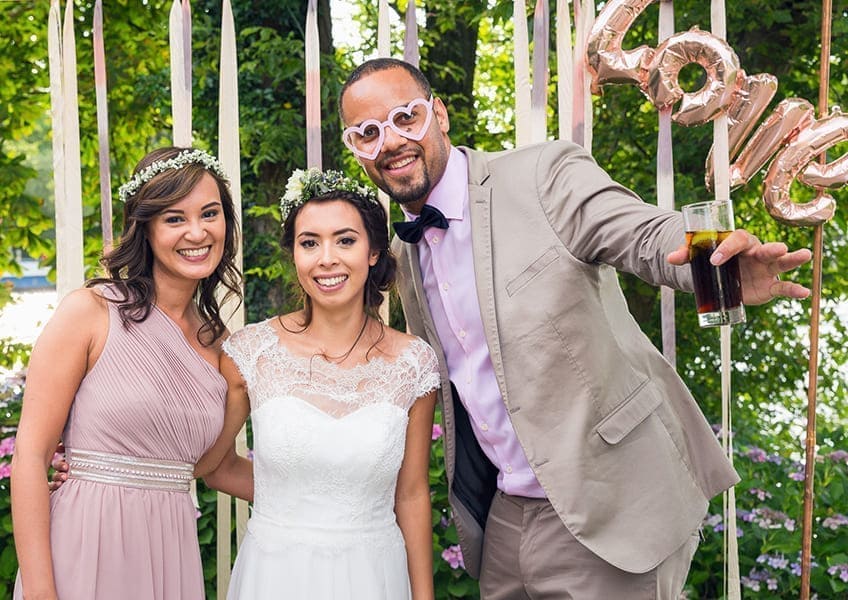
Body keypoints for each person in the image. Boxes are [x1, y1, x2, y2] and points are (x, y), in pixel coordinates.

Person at [337, 57, 813, 599]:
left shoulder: (543, 174)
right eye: (368, 133)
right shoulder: (404, 250)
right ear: (357, 149)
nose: (391, 142)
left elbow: (642, 234)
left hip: (610, 503)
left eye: (406, 118)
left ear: (439, 115)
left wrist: (711, 255)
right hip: (505, 516)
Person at [193, 167, 439, 600]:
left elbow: (413, 493)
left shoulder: (413, 362)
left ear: (374, 252)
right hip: (275, 573)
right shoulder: (252, 353)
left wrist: (423, 597)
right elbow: (211, 465)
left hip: (374, 573)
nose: (327, 258)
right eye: (310, 243)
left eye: (345, 240)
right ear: (294, 255)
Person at [11, 146, 242, 600]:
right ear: (147, 228)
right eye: (174, 218)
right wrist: (41, 592)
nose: (197, 232)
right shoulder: (90, 312)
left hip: (170, 549)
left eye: (209, 213)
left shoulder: (221, 347)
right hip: (85, 544)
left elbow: (208, 467)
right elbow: (30, 459)